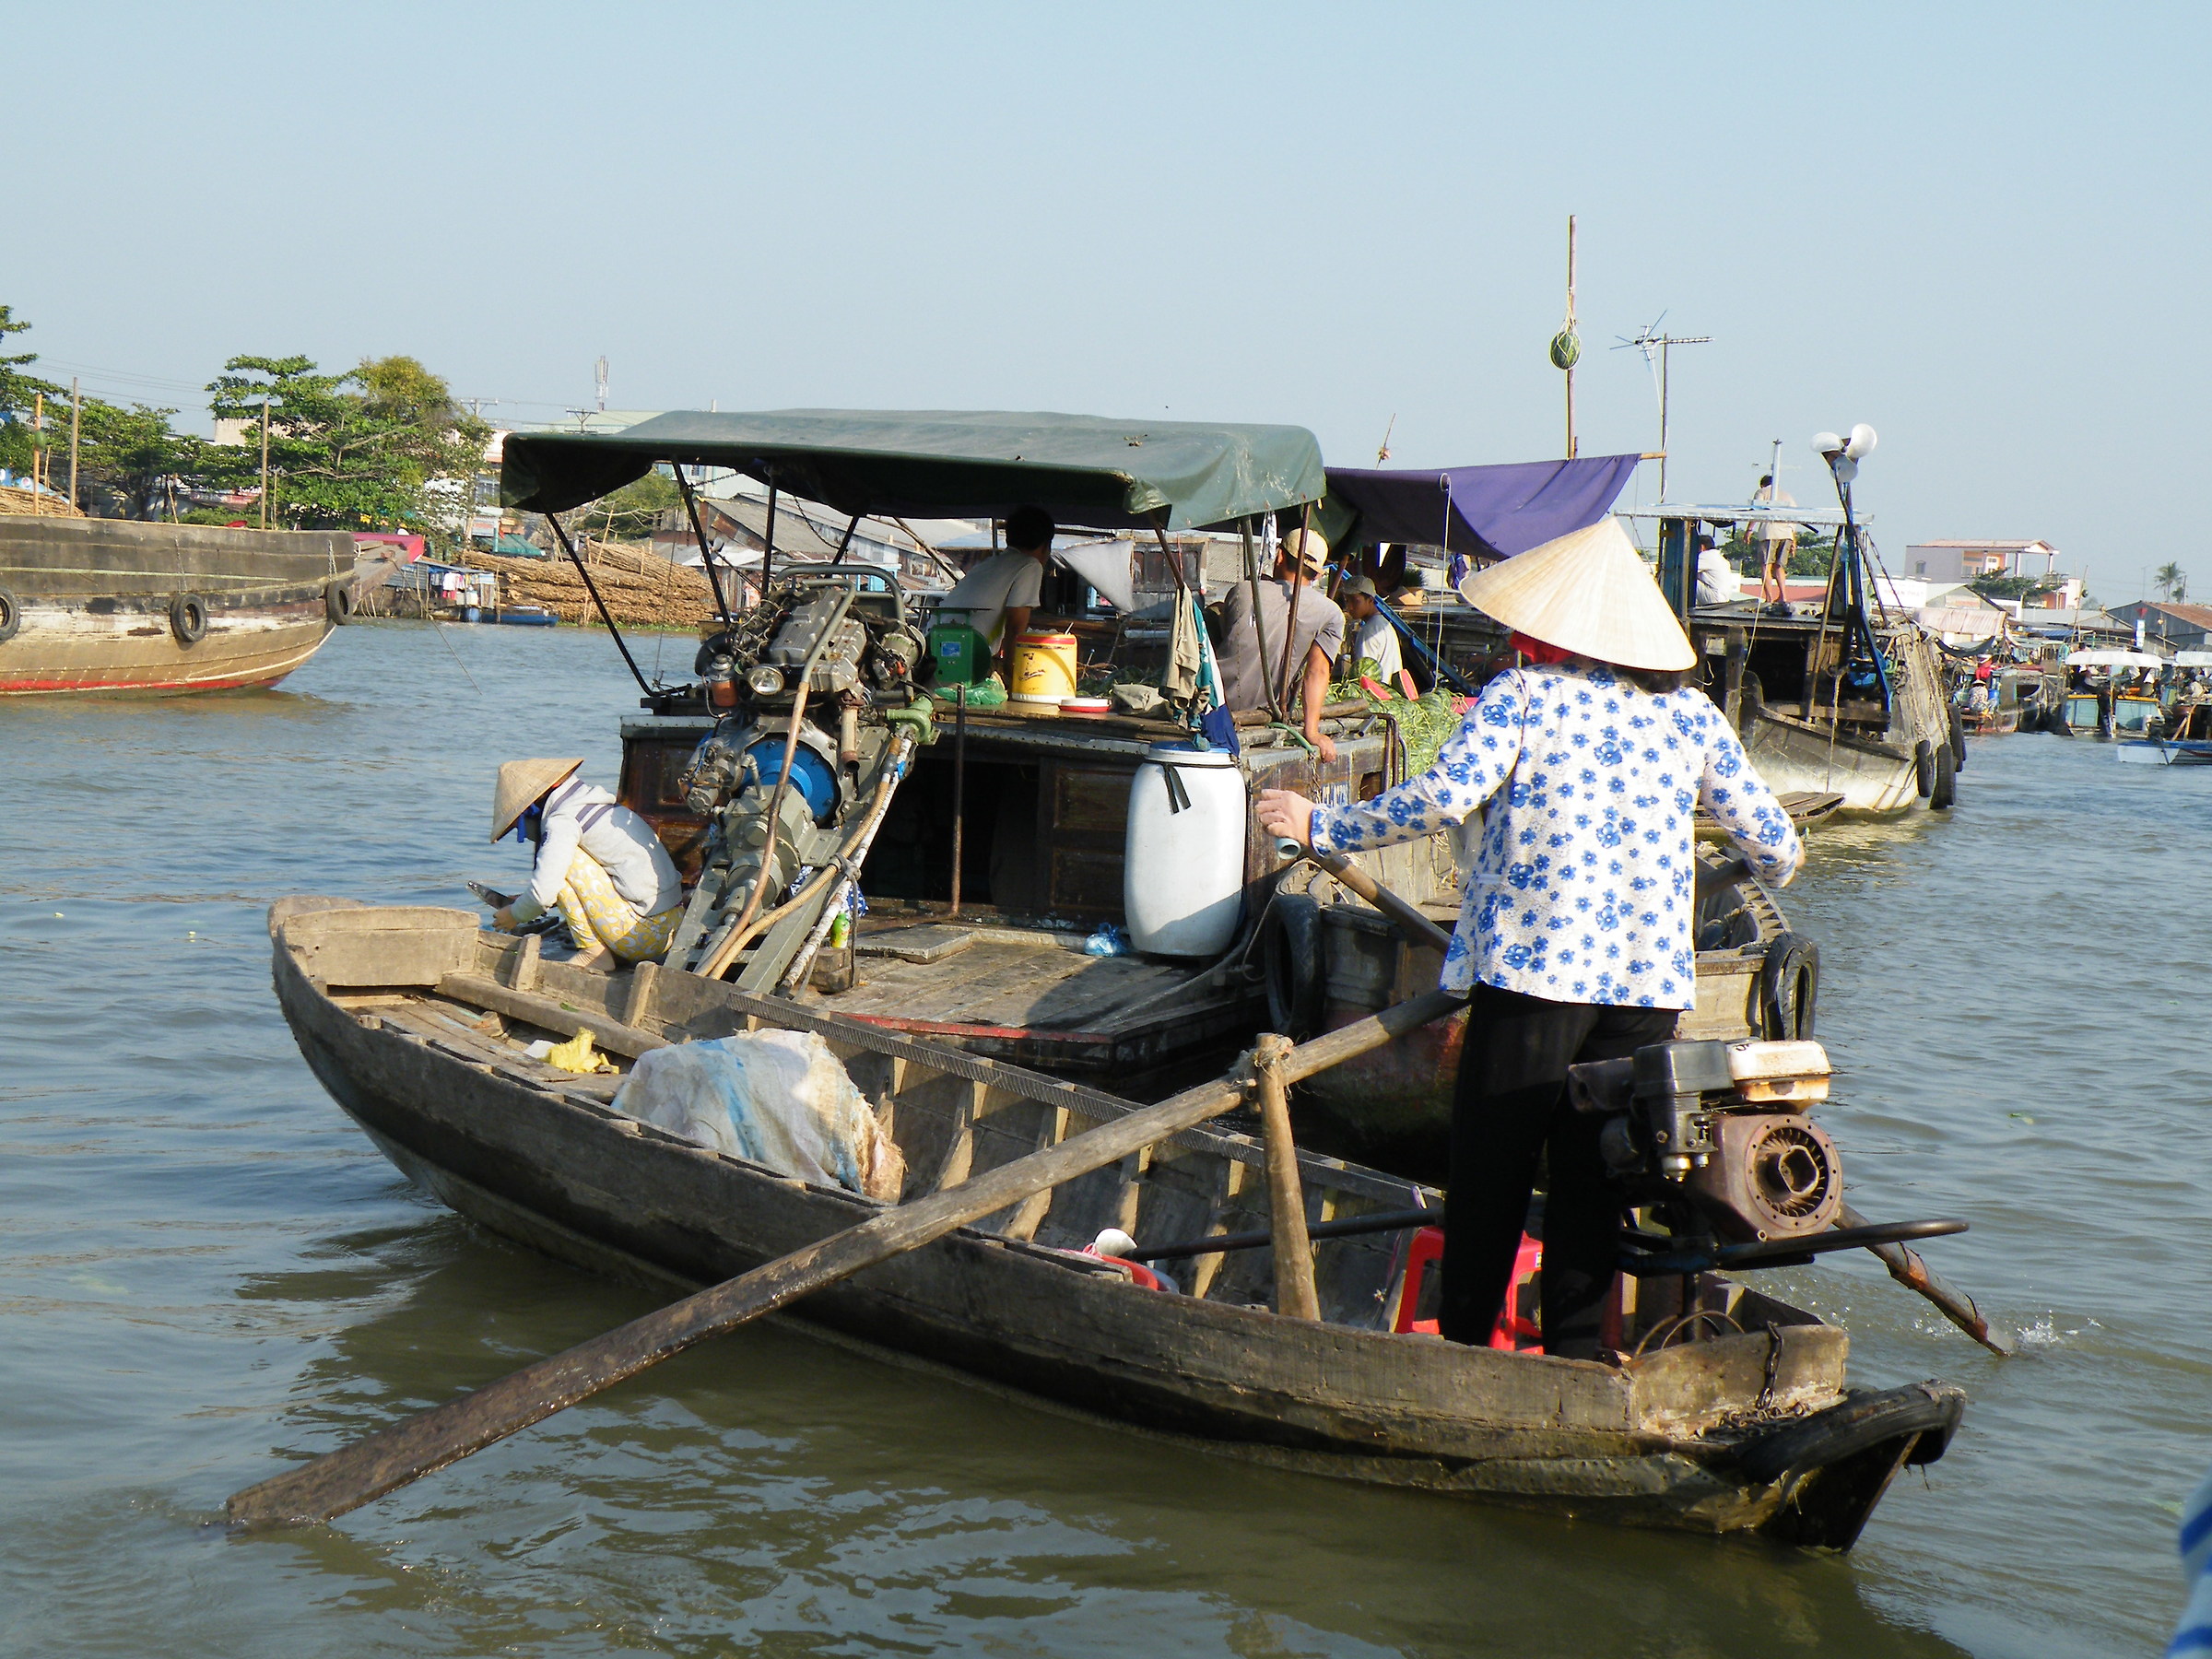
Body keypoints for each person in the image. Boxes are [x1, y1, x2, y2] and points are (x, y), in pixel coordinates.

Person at [1254, 518, 1803, 1359]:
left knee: (1491, 1181)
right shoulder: (1690, 717)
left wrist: (1319, 821)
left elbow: (1439, 800)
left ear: (1550, 631)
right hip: (1647, 992)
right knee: (1595, 1189)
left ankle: (1472, 1352)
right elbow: (1779, 849)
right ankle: (1582, 1362)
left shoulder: (1523, 697)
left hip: (1537, 977)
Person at [488, 758, 685, 969]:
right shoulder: (594, 806)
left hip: (644, 935)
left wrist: (515, 914)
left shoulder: (563, 820)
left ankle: (593, 953)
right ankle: (601, 950)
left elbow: (544, 893)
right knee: (558, 862)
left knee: (564, 861)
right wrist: (524, 900)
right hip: (671, 926)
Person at [1212, 525, 1345, 761]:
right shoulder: (1330, 613)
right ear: (1317, 574)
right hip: (1263, 712)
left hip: (1215, 707)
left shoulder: (1243, 591)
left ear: (1280, 556)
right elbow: (1317, 671)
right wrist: (1311, 731)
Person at [935, 505, 1055, 677]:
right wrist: (1012, 674)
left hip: (937, 648)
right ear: (1045, 546)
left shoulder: (989, 564)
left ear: (1008, 538)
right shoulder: (1030, 566)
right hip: (966, 659)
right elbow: (1015, 627)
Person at [1338, 574, 1404, 683]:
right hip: (1392, 692)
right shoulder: (1384, 624)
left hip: (1376, 696)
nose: (1349, 607)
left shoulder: (1368, 632)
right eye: (1347, 601)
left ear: (1370, 600)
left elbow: (1363, 677)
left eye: (1355, 601)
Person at [1751, 474, 1797, 606]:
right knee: (1779, 566)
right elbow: (1794, 518)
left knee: (1766, 565)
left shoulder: (1761, 492)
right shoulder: (1787, 495)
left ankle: (1769, 597)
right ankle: (1783, 596)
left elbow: (1756, 511)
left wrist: (1749, 530)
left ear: (1762, 484)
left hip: (1769, 532)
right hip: (1787, 533)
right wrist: (1793, 540)